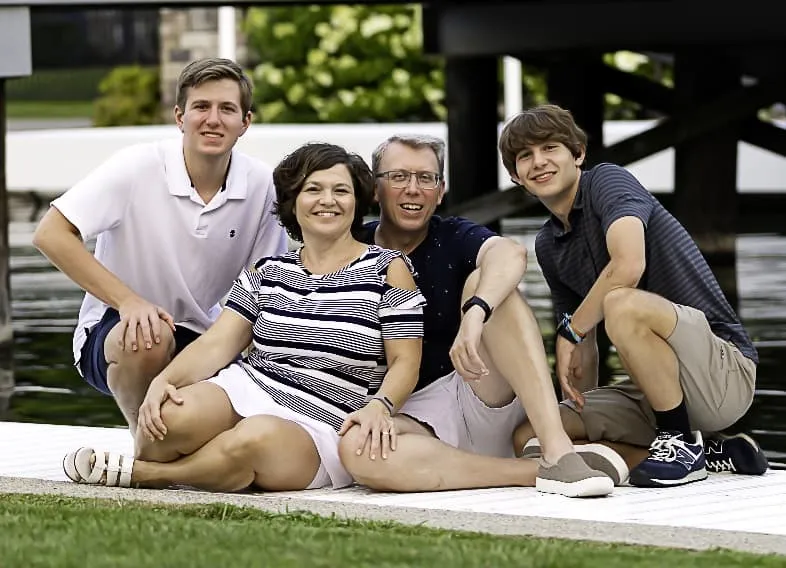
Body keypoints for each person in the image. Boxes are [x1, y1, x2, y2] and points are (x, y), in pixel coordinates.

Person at [61, 142, 426, 491]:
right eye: (313, 189)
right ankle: (192, 468)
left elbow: (405, 361)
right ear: (293, 203)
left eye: (340, 191)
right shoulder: (268, 271)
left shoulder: (387, 269)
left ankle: (147, 475)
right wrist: (163, 382)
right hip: (251, 387)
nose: (327, 201)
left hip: (326, 417)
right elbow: (218, 344)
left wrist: (381, 405)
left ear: (357, 201)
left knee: (253, 440)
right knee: (169, 418)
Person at [498, 104, 768, 488]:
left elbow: (627, 266)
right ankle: (711, 452)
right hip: (652, 389)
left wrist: (569, 331)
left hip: (722, 374)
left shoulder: (607, 181)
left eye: (550, 148)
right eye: (525, 156)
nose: (539, 162)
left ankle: (681, 444)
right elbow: (583, 341)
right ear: (515, 175)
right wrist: (583, 409)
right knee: (536, 434)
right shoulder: (549, 244)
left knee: (619, 302)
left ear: (578, 153)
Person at [338, 134, 619, 498]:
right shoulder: (352, 248)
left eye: (426, 178)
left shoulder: (453, 235)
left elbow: (511, 254)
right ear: (375, 189)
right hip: (412, 414)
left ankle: (558, 449)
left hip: (478, 389)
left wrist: (475, 313)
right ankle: (533, 470)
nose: (413, 189)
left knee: (486, 284)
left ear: (440, 192)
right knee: (359, 449)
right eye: (398, 177)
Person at [33, 58, 289, 434]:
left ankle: (166, 454)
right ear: (180, 117)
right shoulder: (137, 166)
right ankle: (145, 448)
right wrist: (128, 302)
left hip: (205, 335)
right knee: (149, 335)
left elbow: (263, 286)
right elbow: (50, 233)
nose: (213, 119)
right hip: (115, 332)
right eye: (201, 107)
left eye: (227, 109)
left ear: (245, 122)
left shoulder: (263, 184)